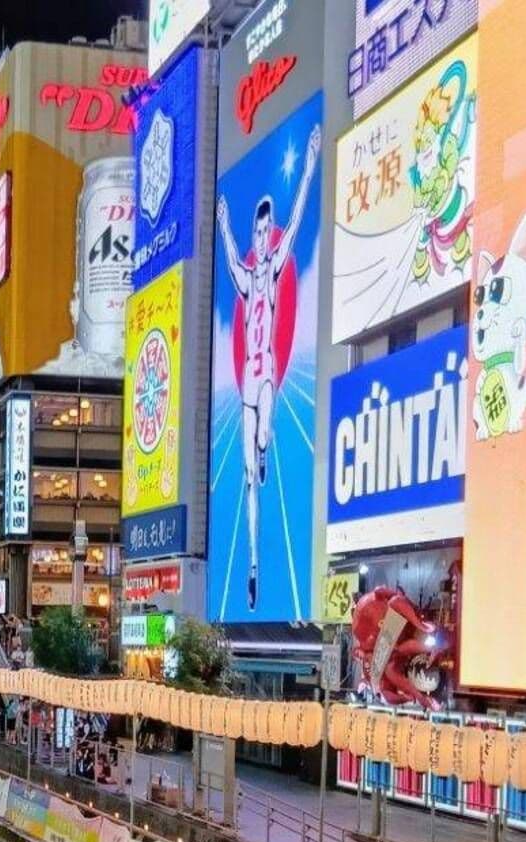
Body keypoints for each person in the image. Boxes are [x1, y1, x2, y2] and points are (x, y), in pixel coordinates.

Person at [215, 122, 321, 611]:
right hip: (246, 384)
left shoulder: (274, 266)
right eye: (257, 229)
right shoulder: (244, 272)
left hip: (266, 371)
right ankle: (254, 565)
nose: (262, 235)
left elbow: (298, 220)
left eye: (264, 228)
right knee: (244, 473)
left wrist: (310, 163)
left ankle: (264, 448)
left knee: (261, 436)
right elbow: (232, 254)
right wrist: (221, 222)